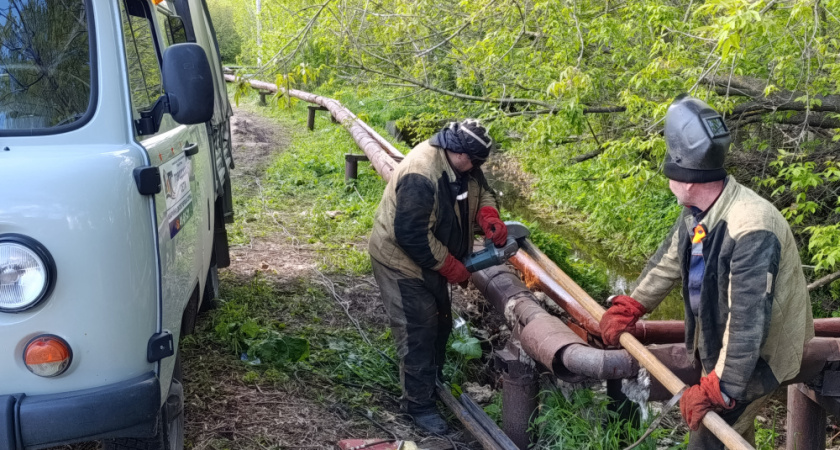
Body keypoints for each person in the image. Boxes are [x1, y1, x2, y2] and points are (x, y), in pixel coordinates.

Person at [599, 94, 813, 447]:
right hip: (718, 340)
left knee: (707, 437)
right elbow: (669, 259)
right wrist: (631, 306)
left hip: (759, 357)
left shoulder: (752, 228)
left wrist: (719, 388)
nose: (668, 182)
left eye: (670, 175)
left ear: (687, 181)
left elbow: (748, 323)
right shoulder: (701, 210)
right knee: (734, 433)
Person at [368, 119, 507, 434]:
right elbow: (411, 235)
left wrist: (488, 215)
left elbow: (483, 191)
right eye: (474, 161)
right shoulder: (421, 175)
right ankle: (418, 406)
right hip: (401, 260)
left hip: (431, 257)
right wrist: (450, 266)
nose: (477, 167)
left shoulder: (463, 162)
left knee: (441, 322)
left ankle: (432, 382)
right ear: (460, 152)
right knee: (419, 329)